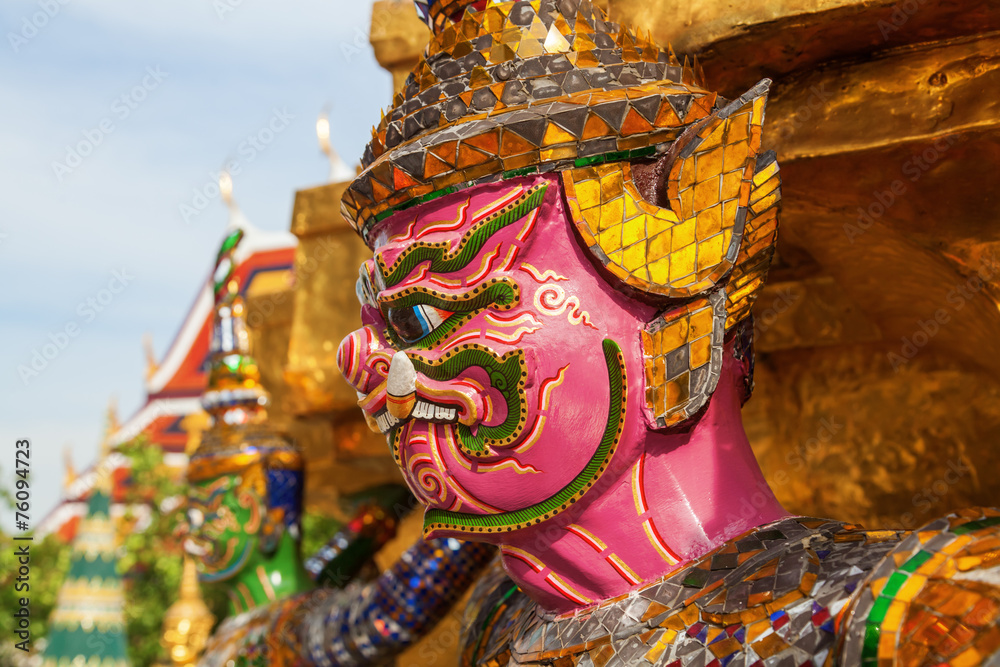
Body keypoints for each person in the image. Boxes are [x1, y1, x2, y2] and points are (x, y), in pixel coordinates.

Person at [336, 0, 1000, 664]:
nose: (360, 356)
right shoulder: (502, 626)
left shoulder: (917, 614)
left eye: (425, 312)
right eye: (375, 320)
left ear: (677, 285)